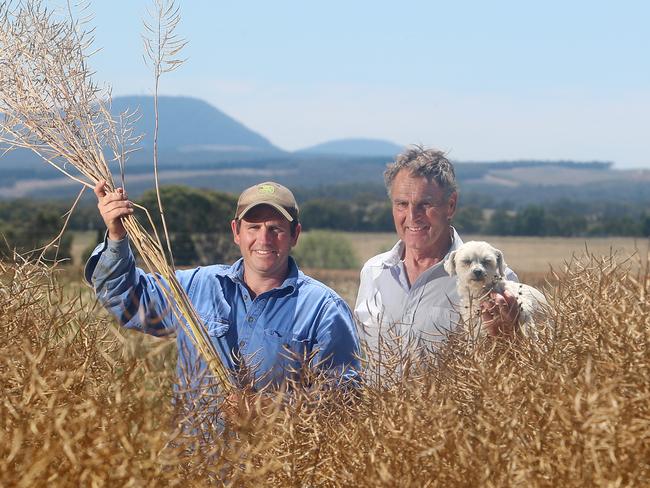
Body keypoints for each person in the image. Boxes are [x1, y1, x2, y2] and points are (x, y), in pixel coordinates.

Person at [86, 180, 360, 414]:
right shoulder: (197, 287)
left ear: (294, 235)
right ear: (236, 232)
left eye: (275, 228)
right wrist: (117, 235)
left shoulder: (323, 309)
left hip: (274, 470)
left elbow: (345, 399)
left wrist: (269, 409)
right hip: (192, 464)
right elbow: (124, 299)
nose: (263, 239)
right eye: (253, 227)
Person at [355, 146, 520, 352]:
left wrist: (508, 339)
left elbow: (513, 364)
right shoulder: (374, 271)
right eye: (402, 204)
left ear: (450, 205)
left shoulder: (497, 281)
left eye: (425, 204)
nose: (412, 216)